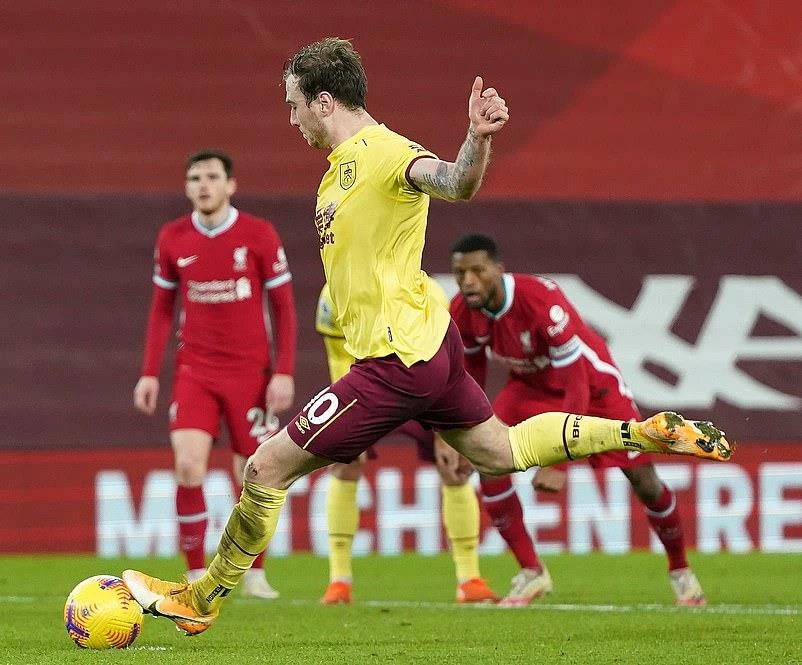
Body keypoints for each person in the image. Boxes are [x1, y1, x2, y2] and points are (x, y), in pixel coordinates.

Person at [123, 38, 732, 636]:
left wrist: (476, 140)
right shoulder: (335, 173)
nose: (291, 118)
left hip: (396, 361)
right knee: (500, 451)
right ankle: (641, 431)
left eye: (294, 104)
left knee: (264, 469)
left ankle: (203, 597)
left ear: (325, 101)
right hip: (430, 347)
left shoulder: (386, 152)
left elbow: (453, 181)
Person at [450, 233, 707, 606]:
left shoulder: (539, 301)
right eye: (460, 273)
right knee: (486, 458)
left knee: (643, 480)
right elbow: (469, 370)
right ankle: (532, 572)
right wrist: (462, 434)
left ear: (498, 269)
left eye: (477, 270)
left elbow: (575, 383)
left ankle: (681, 571)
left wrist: (560, 461)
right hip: (529, 388)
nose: (468, 281)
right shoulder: (462, 311)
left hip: (593, 388)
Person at [132, 149, 297, 600]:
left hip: (250, 373)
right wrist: (149, 373)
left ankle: (255, 573)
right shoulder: (173, 238)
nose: (202, 185)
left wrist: (283, 372)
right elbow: (162, 310)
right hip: (195, 370)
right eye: (194, 178)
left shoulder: (258, 235)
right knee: (187, 465)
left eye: (211, 177)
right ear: (186, 187)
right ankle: (193, 573)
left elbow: (283, 308)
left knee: (256, 473)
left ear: (230, 185)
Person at [316, 279, 499, 605]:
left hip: (423, 390)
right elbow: (338, 357)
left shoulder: (427, 293)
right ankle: (339, 581)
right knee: (345, 464)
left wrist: (446, 432)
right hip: (366, 388)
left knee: (454, 466)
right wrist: (343, 424)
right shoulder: (334, 293)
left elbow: (447, 361)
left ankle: (469, 579)